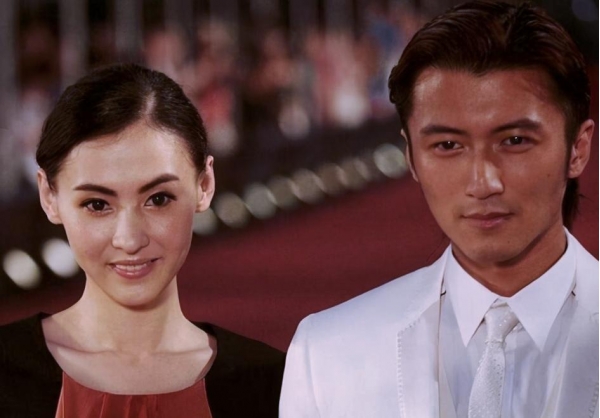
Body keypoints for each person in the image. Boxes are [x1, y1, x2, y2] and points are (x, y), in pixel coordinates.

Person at [280, 1, 597, 417]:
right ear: (411, 157)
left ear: (578, 149)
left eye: (515, 141)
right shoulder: (327, 353)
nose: (483, 182)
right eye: (448, 145)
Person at [0, 63, 284, 418]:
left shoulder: (272, 384)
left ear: (204, 185)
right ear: (49, 197)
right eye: (97, 205)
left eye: (158, 199)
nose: (130, 239)